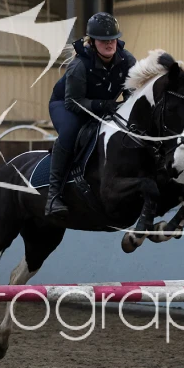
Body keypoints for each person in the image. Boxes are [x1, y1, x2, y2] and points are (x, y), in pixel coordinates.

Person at [45, 12, 137, 218]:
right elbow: (73, 102)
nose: (109, 43)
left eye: (113, 39)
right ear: (93, 41)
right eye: (104, 40)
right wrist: (103, 104)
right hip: (67, 105)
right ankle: (53, 195)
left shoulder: (128, 60)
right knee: (70, 132)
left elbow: (132, 93)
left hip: (103, 106)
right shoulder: (79, 65)